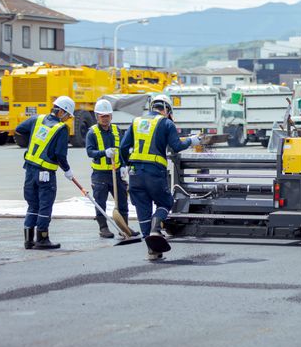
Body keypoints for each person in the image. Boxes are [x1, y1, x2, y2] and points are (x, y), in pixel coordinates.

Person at [119, 94, 200, 260]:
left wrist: (125, 165)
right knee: (165, 202)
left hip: (135, 174)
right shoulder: (166, 122)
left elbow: (123, 147)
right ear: (167, 109)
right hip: (154, 173)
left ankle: (152, 250)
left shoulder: (136, 122)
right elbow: (176, 146)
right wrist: (192, 141)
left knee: (143, 210)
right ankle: (156, 228)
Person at [14, 96, 76, 249]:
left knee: (33, 205)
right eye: (67, 115)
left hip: (29, 171)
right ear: (61, 111)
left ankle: (29, 240)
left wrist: (35, 140)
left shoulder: (37, 119)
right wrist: (67, 170)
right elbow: (60, 154)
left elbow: (19, 129)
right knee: (45, 205)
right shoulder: (61, 129)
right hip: (46, 174)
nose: (67, 119)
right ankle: (42, 238)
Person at [86, 99, 136, 238]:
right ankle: (103, 228)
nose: (105, 119)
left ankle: (124, 228)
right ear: (97, 116)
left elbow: (123, 149)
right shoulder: (92, 132)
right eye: (102, 116)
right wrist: (104, 152)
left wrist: (124, 165)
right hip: (100, 175)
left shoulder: (116, 130)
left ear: (111, 116)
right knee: (100, 202)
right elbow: (90, 152)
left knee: (122, 201)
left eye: (107, 116)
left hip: (116, 172)